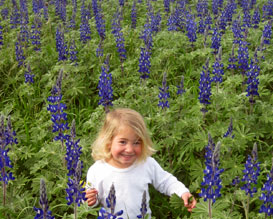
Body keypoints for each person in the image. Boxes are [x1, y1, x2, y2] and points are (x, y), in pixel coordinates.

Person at [85, 108, 196, 218]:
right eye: (123, 142)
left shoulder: (146, 163)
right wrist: (91, 200)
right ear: (109, 142)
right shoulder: (97, 170)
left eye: (136, 142)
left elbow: (166, 182)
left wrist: (183, 192)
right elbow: (91, 201)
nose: (129, 149)